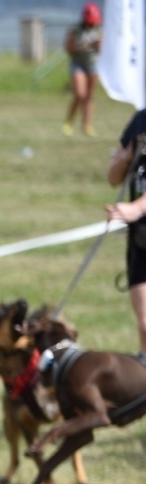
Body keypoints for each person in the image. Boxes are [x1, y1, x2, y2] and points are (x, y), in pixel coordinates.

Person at [106, 114, 146, 352]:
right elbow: (113, 178)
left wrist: (137, 208)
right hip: (141, 239)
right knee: (144, 325)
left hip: (138, 216)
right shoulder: (140, 120)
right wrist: (129, 156)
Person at [65, 3, 103, 137]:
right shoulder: (75, 30)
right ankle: (69, 121)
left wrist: (99, 45)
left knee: (89, 95)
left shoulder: (99, 30)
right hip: (78, 65)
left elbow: (103, 50)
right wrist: (80, 47)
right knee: (80, 94)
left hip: (93, 65)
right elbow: (68, 49)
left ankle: (87, 125)